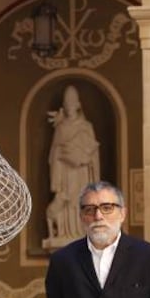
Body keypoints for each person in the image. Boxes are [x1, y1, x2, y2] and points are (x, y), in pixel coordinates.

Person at [45, 85, 100, 241]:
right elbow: (53, 154)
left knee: (81, 199)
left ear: (78, 105)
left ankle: (83, 232)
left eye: (72, 102)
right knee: (66, 201)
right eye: (67, 102)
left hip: (82, 173)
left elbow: (94, 152)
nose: (69, 106)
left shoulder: (86, 127)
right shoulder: (60, 128)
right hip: (65, 174)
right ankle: (64, 232)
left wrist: (85, 157)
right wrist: (63, 155)